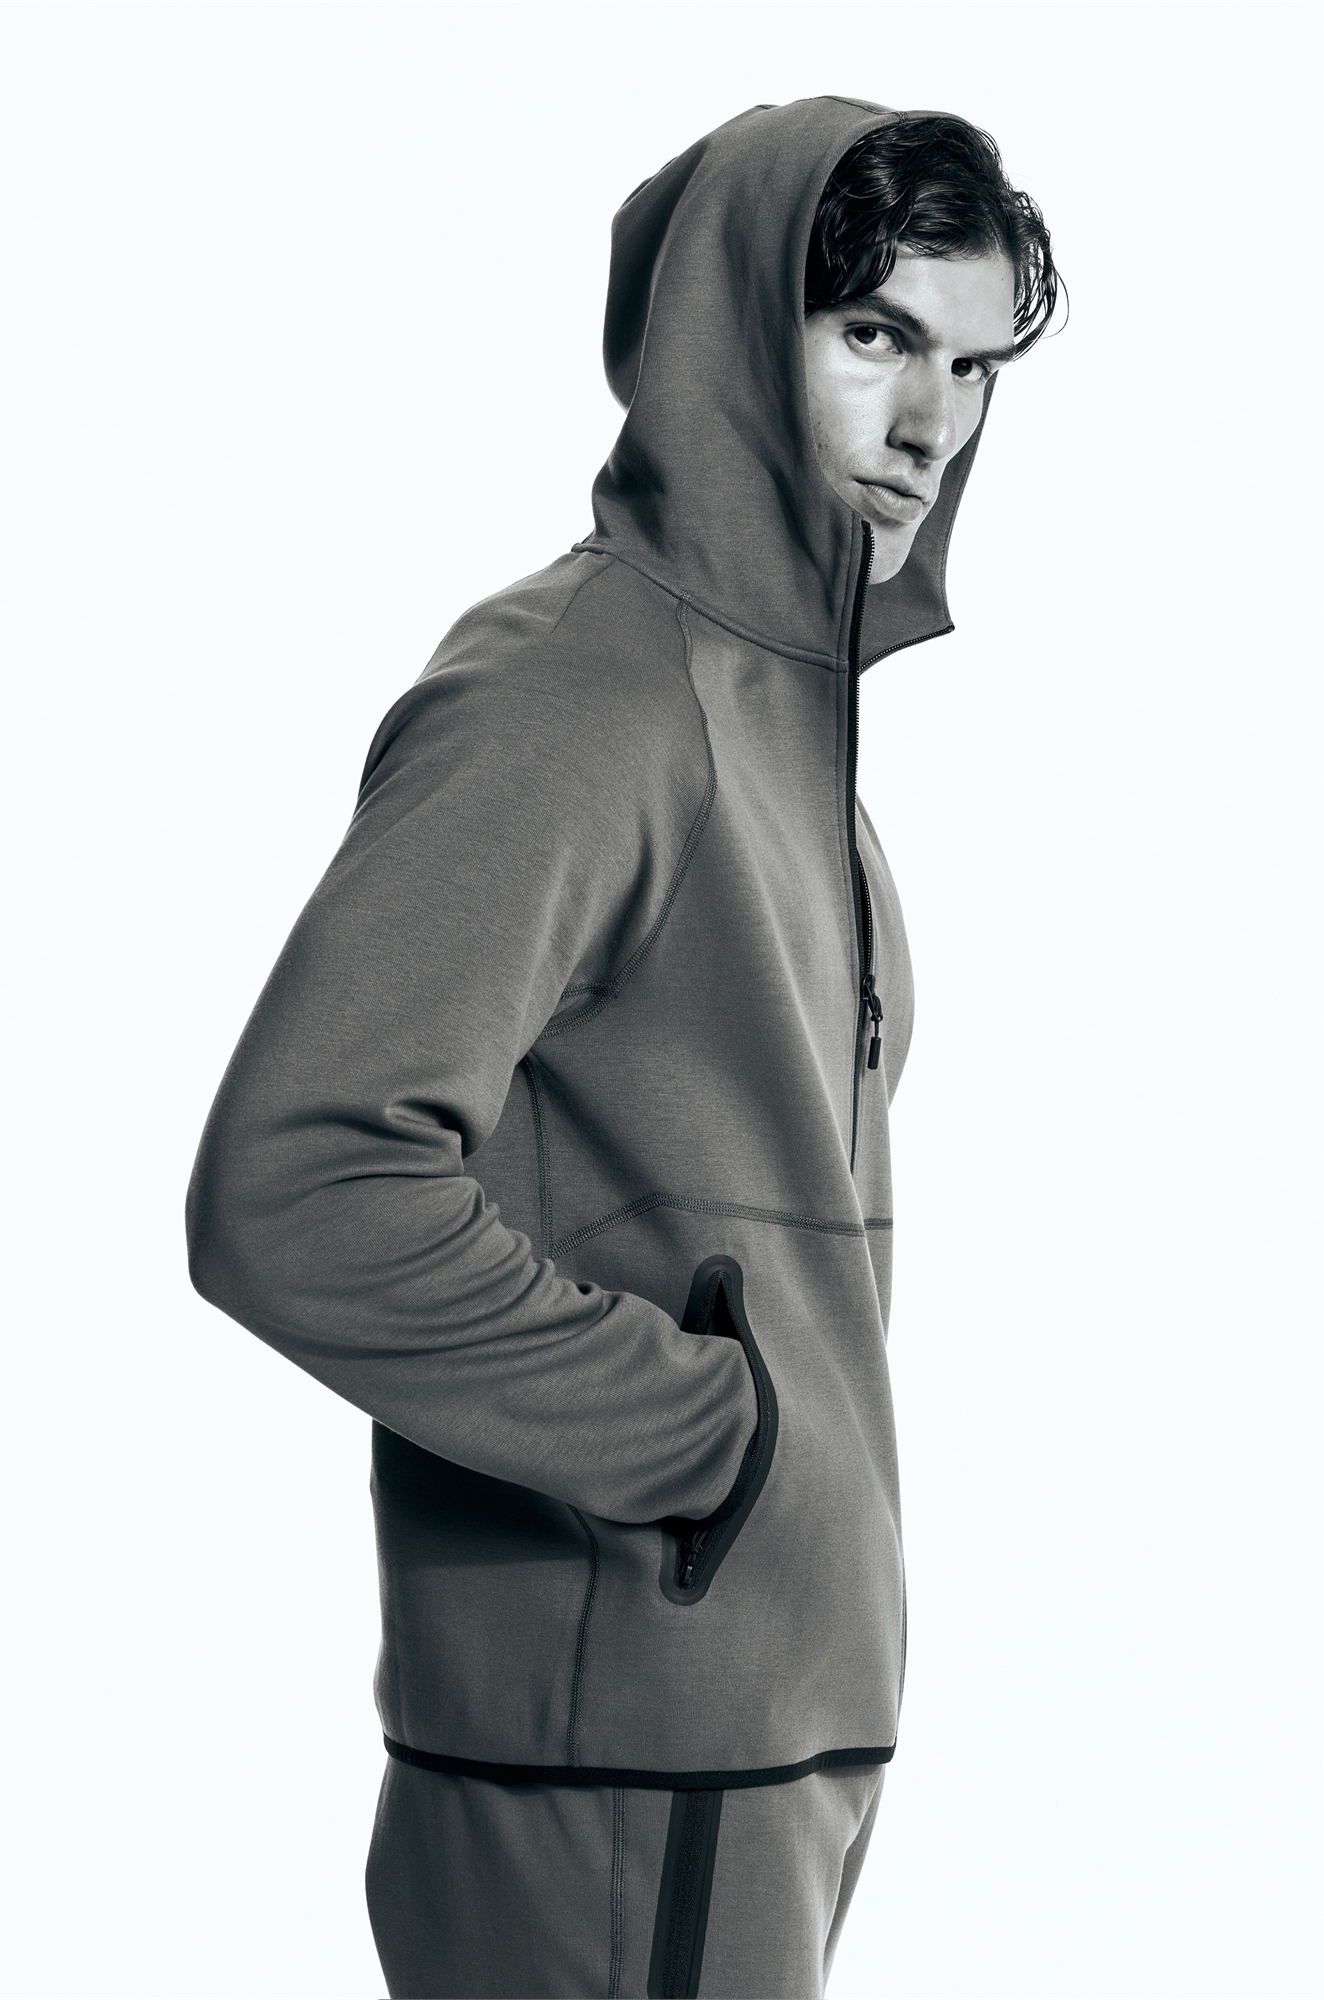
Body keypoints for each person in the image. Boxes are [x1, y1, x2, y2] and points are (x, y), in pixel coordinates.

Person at [187, 95, 1058, 2000]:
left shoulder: (786, 733)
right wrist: (712, 1445)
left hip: (753, 1743)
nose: (933, 423)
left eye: (975, 364)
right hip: (620, 1768)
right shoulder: (580, 698)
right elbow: (299, 1190)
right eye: (875, 336)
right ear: (732, 327)